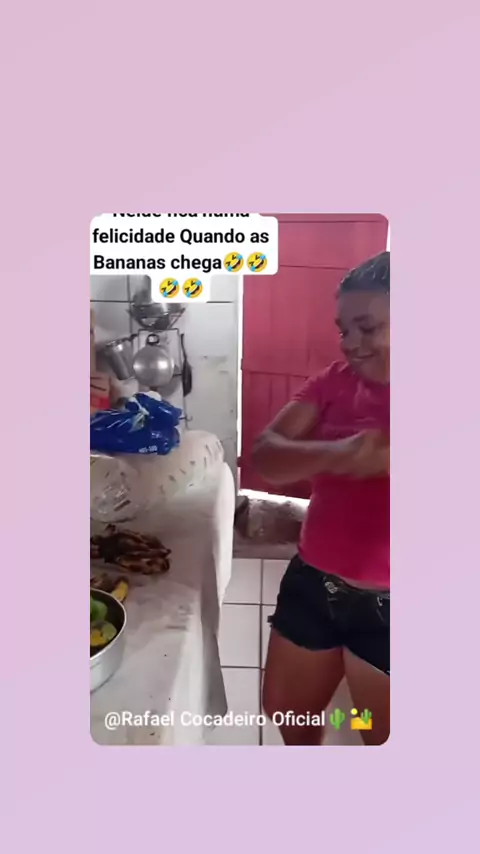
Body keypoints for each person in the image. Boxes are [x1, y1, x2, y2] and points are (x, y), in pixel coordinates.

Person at [252, 251, 390, 746]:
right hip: (314, 583)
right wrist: (339, 453)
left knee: (379, 736)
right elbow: (265, 455)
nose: (350, 343)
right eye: (344, 329)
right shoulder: (333, 381)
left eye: (366, 328)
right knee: (290, 715)